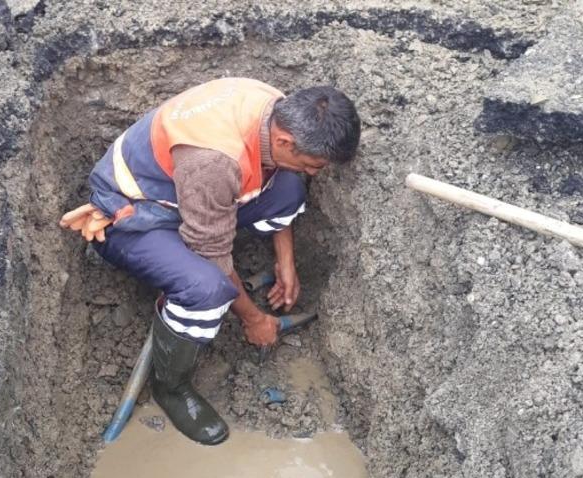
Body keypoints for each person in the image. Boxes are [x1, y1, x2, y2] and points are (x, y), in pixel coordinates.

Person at [59, 77, 360, 445]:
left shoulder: (276, 108)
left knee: (291, 189)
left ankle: (194, 267)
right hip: (134, 215)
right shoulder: (214, 161)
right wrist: (255, 320)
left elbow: (281, 179)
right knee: (207, 289)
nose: (316, 172)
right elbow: (214, 257)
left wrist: (287, 262)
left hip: (190, 192)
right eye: (314, 164)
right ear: (284, 141)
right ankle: (170, 388)